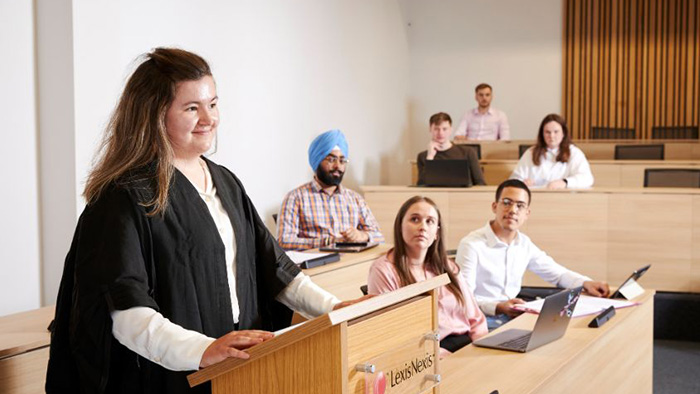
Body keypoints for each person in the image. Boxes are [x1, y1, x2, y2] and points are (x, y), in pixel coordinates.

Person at [45, 48, 366, 394]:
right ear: (154, 115)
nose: (209, 118)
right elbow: (124, 312)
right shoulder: (123, 197)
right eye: (192, 108)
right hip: (167, 376)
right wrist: (203, 350)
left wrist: (334, 307)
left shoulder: (225, 182)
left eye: (213, 104)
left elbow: (274, 268)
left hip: (238, 368)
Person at [455, 179, 609, 330]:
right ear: (495, 207)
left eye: (520, 206)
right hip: (480, 319)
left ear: (527, 213)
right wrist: (498, 307)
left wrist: (586, 283)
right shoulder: (471, 245)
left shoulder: (523, 243)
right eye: (507, 202)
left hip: (513, 316)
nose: (513, 210)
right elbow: (463, 299)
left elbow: (558, 274)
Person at [367, 196, 487, 357]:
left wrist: (482, 348)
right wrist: (445, 357)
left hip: (467, 347)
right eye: (415, 219)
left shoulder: (447, 266)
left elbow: (475, 318)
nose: (422, 227)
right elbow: (393, 334)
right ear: (400, 226)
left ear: (437, 232)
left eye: (429, 221)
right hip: (425, 356)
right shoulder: (384, 270)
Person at [276, 130, 384, 250]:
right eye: (331, 160)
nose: (338, 166)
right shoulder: (295, 197)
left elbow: (379, 237)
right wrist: (327, 241)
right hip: (316, 265)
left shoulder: (355, 199)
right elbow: (283, 241)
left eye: (342, 160)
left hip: (351, 263)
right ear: (317, 161)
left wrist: (363, 236)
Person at [510, 113, 594, 189]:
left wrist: (564, 182)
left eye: (556, 132)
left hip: (563, 200)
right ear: (542, 134)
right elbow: (513, 179)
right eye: (547, 132)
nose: (552, 136)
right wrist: (522, 183)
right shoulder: (531, 152)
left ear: (563, 133)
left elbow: (587, 178)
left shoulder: (574, 153)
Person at [416, 112, 485, 186]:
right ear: (430, 130)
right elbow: (421, 184)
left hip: (463, 195)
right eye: (436, 129)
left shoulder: (468, 152)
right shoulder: (423, 156)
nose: (441, 133)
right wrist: (430, 157)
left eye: (444, 129)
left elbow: (480, 183)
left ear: (451, 130)